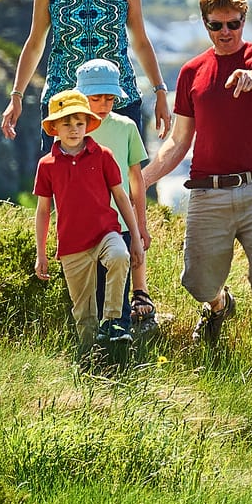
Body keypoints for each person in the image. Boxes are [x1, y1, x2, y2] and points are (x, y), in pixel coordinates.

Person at [142, 0, 252, 372]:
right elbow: (177, 142)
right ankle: (220, 305)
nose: (225, 32)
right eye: (216, 25)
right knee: (197, 283)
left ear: (244, 20)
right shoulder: (192, 72)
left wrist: (250, 78)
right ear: (205, 24)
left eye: (233, 24)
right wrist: (140, 181)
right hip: (208, 192)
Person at [1, 0, 172, 155]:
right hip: (65, 105)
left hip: (117, 100)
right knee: (64, 185)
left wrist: (160, 92)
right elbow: (35, 43)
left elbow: (141, 42)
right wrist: (16, 96)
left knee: (122, 182)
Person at [32, 89, 143, 358]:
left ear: (87, 125)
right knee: (83, 315)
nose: (74, 129)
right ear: (54, 127)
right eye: (66, 123)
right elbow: (43, 211)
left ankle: (113, 321)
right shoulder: (47, 165)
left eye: (79, 122)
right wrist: (41, 253)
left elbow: (121, 196)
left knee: (119, 255)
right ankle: (92, 361)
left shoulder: (103, 155)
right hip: (72, 245)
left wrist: (136, 238)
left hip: (107, 232)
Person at [77, 57, 156, 329]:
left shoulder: (126, 127)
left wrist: (140, 227)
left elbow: (136, 179)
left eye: (109, 98)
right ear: (81, 95)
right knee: (86, 300)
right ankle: (90, 354)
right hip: (82, 227)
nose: (102, 105)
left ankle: (118, 353)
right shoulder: (70, 131)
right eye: (95, 98)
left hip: (120, 224)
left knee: (117, 298)